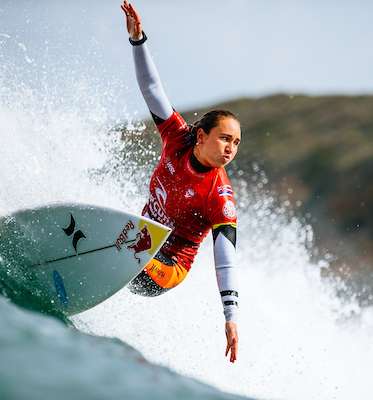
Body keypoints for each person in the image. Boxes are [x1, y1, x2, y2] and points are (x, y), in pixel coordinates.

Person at [121, 2, 241, 363]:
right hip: (141, 240)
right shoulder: (177, 137)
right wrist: (138, 40)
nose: (231, 148)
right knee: (127, 246)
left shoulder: (219, 196)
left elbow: (226, 259)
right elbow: (151, 88)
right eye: (225, 138)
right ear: (201, 136)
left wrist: (231, 318)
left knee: (131, 255)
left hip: (166, 269)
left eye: (236, 143)